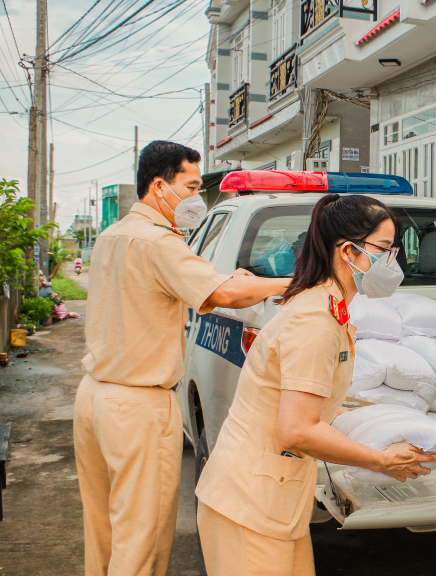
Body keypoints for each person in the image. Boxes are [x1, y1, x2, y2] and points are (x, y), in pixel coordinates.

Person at [196, 194, 436, 576]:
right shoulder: (314, 321)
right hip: (248, 504)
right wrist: (381, 460)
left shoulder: (331, 308)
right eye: (384, 249)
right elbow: (296, 430)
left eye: (395, 250)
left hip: (275, 500)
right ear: (348, 251)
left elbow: (314, 405)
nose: (393, 262)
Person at [73, 141, 291, 576]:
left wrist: (234, 280)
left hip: (94, 399)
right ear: (160, 186)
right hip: (138, 408)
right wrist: (295, 280)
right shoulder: (159, 243)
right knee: (142, 539)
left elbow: (173, 288)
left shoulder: (113, 236)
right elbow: (222, 294)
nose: (197, 198)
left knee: (104, 534)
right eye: (191, 187)